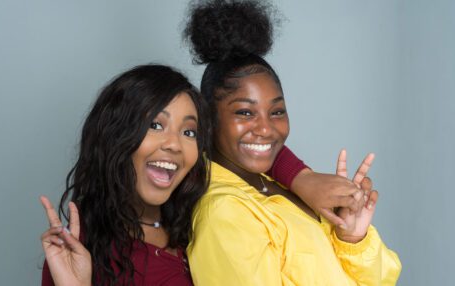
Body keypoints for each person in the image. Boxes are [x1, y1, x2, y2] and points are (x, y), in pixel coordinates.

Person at [183, 0, 402, 285]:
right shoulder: (223, 213)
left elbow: (382, 280)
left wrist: (352, 238)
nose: (266, 128)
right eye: (245, 112)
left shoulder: (280, 182)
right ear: (208, 118)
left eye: (276, 112)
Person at [40, 64, 210, 286]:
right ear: (116, 136)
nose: (175, 145)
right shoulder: (76, 252)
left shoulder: (203, 223)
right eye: (155, 125)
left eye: (189, 132)